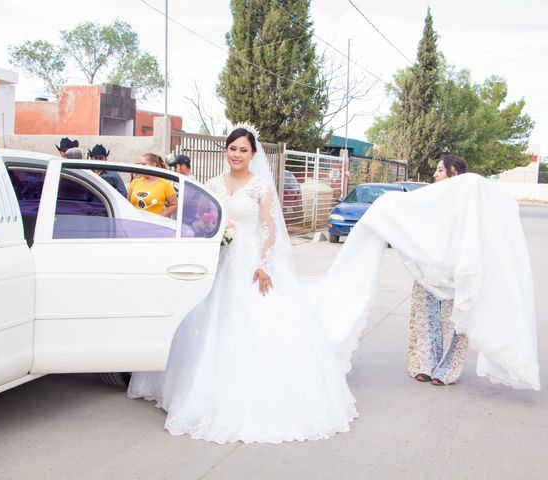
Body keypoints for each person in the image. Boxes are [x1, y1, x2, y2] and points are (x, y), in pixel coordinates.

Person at [128, 127, 358, 444]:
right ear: (226, 151)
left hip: (252, 264)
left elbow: (269, 228)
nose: (237, 154)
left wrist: (264, 267)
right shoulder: (212, 185)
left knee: (259, 328)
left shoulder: (261, 186)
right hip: (220, 261)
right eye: (232, 148)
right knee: (208, 327)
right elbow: (199, 221)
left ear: (252, 154)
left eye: (243, 150)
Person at [408, 154, 468, 386]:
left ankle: (448, 369)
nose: (434, 174)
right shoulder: (430, 198)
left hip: (456, 267)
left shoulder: (468, 201)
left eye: (440, 170)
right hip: (428, 267)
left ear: (455, 174)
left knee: (456, 320)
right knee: (425, 316)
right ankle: (424, 364)